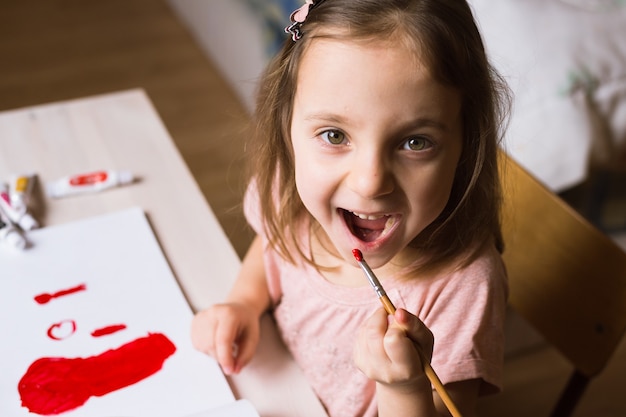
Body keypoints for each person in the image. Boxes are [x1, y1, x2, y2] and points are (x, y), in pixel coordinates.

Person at [191, 0, 511, 416]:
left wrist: (403, 387)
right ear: (287, 125)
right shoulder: (291, 190)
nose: (370, 181)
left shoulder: (464, 286)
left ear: (467, 146)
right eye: (334, 135)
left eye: (415, 142)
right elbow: (273, 244)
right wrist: (245, 302)